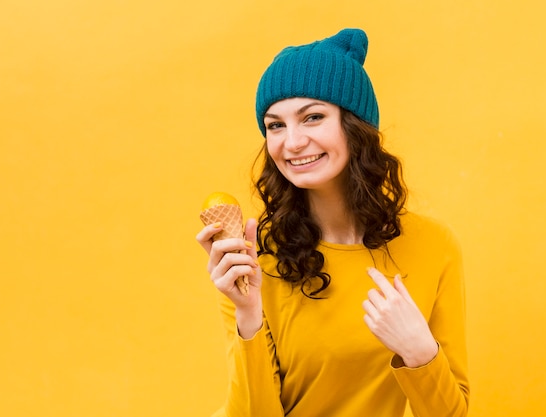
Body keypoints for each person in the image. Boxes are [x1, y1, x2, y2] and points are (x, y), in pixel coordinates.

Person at [196, 28, 470, 417]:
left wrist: (420, 351)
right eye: (276, 125)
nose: (291, 142)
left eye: (312, 117)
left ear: (355, 126)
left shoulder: (434, 246)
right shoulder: (255, 257)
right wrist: (247, 313)